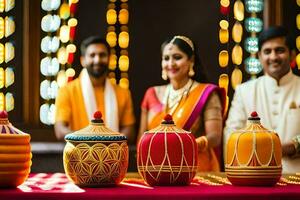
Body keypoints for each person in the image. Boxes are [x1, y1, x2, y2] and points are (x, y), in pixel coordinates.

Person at [138, 35, 226, 172]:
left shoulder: (206, 93)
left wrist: (184, 146)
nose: (171, 63)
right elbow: (142, 139)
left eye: (177, 57)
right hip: (156, 169)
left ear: (191, 61)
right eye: (166, 58)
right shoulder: (152, 93)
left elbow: (215, 137)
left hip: (195, 169)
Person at [224, 26, 300, 173]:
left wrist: (293, 146)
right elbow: (231, 135)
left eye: (280, 50)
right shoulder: (244, 91)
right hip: (255, 175)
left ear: (292, 54)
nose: (273, 57)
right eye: (267, 52)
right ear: (259, 56)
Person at [55, 36, 135, 142]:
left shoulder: (123, 93)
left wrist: (109, 144)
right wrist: (89, 142)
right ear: (83, 60)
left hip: (113, 154)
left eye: (102, 55)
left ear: (109, 59)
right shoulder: (66, 91)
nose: (97, 60)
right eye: (92, 55)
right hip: (79, 153)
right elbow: (60, 130)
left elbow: (129, 129)